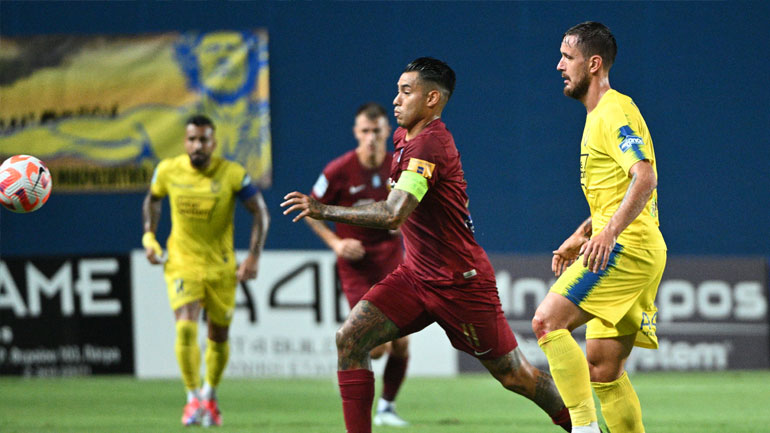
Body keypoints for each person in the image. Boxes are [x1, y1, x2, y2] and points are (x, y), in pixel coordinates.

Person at [282, 57, 572, 433]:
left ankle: (583, 427)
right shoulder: (403, 139)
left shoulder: (429, 144)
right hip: (416, 276)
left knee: (516, 375)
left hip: (460, 284)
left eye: (406, 92)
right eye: (397, 91)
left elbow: (393, 214)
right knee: (350, 339)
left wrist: (324, 210)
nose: (396, 100)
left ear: (432, 98)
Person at [532, 22, 666, 433]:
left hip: (628, 247)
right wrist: (585, 232)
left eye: (567, 57)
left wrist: (608, 233)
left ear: (593, 64)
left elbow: (644, 178)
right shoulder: (601, 114)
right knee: (604, 371)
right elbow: (622, 190)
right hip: (639, 247)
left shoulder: (612, 112)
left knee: (547, 322)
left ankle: (584, 429)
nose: (559, 66)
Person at [142, 114, 269, 427]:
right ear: (185, 142)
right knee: (185, 327)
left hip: (221, 267)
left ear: (213, 143)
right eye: (192, 139)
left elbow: (260, 213)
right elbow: (153, 200)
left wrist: (253, 257)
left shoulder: (232, 174)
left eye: (203, 140)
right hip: (182, 263)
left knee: (218, 335)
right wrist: (149, 236)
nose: (197, 145)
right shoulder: (168, 170)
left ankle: (209, 395)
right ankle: (192, 398)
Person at [305, 102, 410, 427]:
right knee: (375, 347)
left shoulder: (398, 165)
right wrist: (336, 243)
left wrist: (403, 223)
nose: (371, 137)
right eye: (365, 131)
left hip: (391, 262)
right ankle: (356, 374)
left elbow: (415, 203)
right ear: (356, 132)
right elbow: (311, 210)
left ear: (387, 131)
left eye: (377, 131)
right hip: (357, 268)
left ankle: (387, 408)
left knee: (402, 343)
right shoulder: (338, 170)